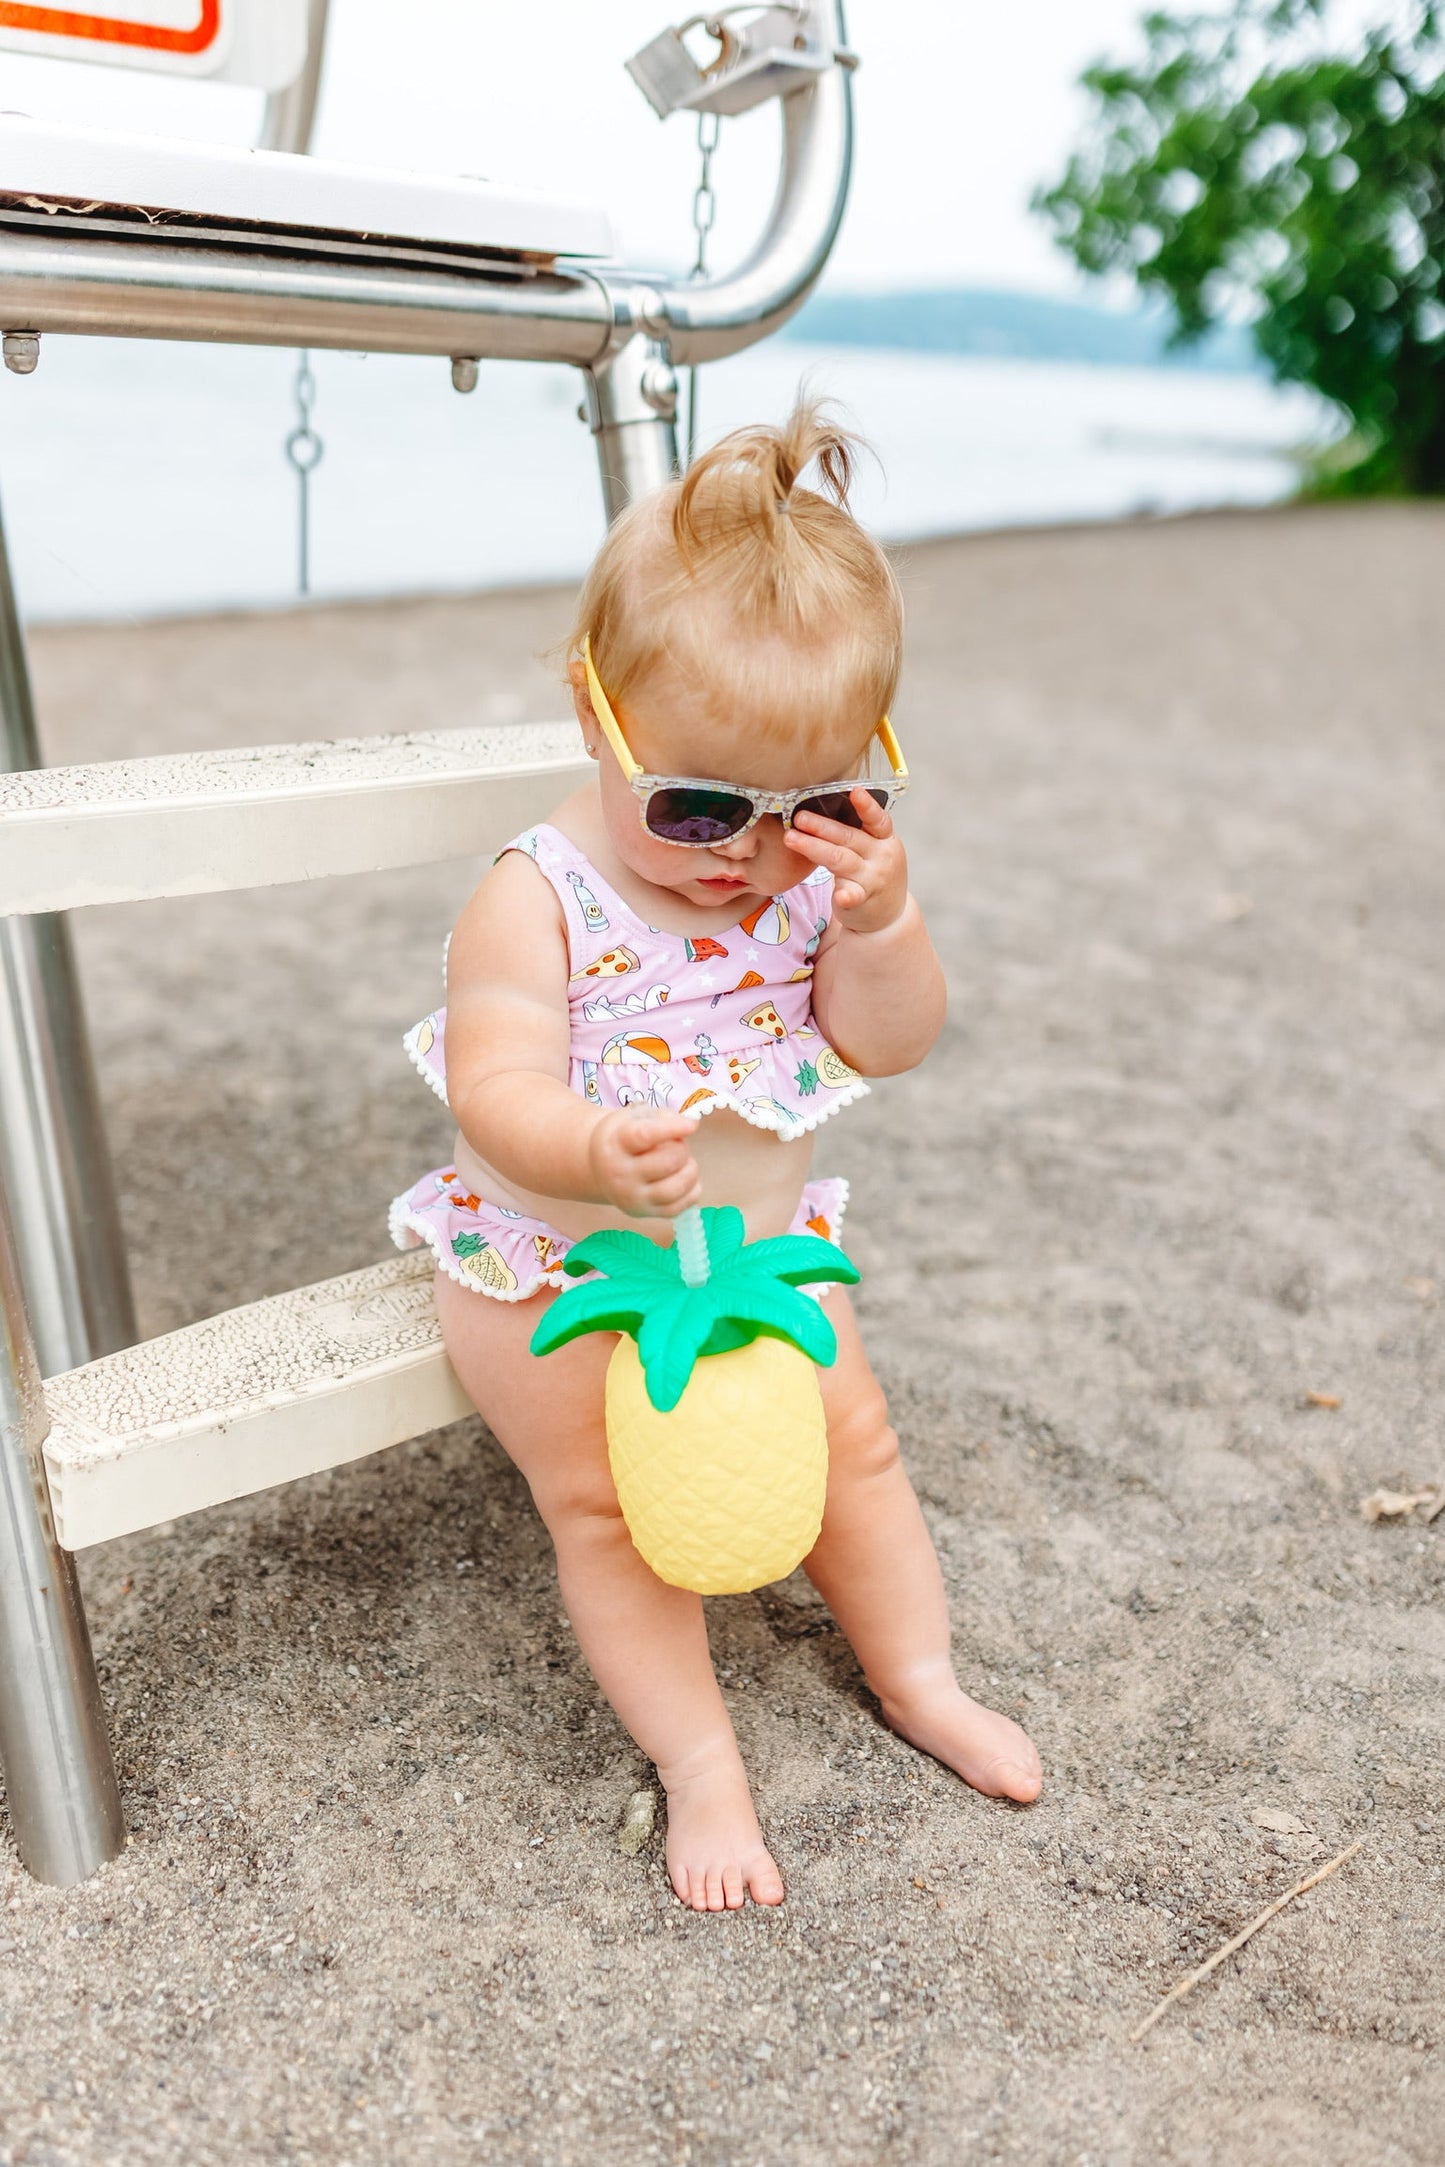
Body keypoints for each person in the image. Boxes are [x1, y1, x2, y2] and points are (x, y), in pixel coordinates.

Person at [389, 402, 1042, 1912]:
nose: (744, 855)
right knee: (610, 1509)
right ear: (593, 712)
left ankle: (922, 1678)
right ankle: (701, 1769)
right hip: (561, 1268)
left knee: (856, 1447)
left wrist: (882, 920)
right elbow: (493, 1081)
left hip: (753, 1259)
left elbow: (887, 1041)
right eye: (695, 807)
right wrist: (586, 1144)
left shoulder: (808, 888)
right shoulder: (538, 897)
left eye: (812, 806)